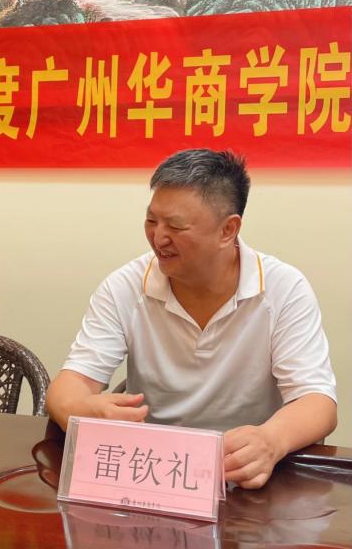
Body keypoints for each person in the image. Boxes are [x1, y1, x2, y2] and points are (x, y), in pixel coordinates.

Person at [46, 148, 337, 489]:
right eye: (151, 221)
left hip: (244, 475)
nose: (158, 238)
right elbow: (70, 385)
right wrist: (81, 408)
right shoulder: (125, 286)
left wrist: (271, 440)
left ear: (228, 230)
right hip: (150, 473)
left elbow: (317, 401)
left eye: (175, 226)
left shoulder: (283, 288)